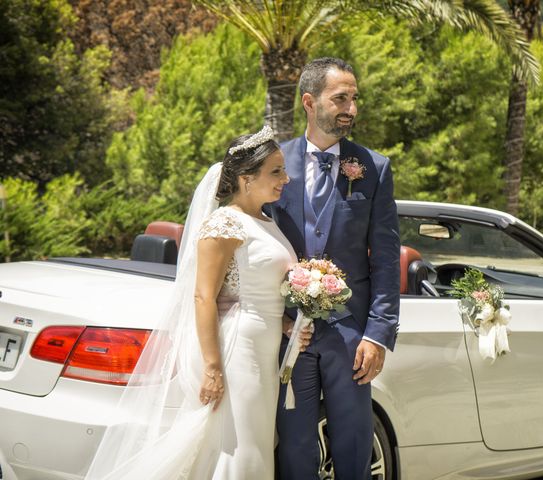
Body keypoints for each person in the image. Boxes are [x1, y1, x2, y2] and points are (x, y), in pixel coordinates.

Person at [86, 125, 310, 480]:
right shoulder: (224, 224)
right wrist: (213, 368)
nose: (286, 178)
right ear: (246, 179)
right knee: (240, 447)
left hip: (265, 348)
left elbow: (260, 287)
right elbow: (204, 296)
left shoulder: (267, 221)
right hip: (238, 349)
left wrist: (288, 325)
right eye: (276, 171)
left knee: (254, 441)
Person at [267, 58, 400, 480]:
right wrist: (278, 320)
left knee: (354, 444)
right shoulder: (273, 164)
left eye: (354, 98)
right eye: (340, 98)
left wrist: (378, 334)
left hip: (351, 336)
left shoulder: (373, 168)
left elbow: (384, 257)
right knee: (294, 448)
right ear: (310, 101)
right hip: (290, 335)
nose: (351, 109)